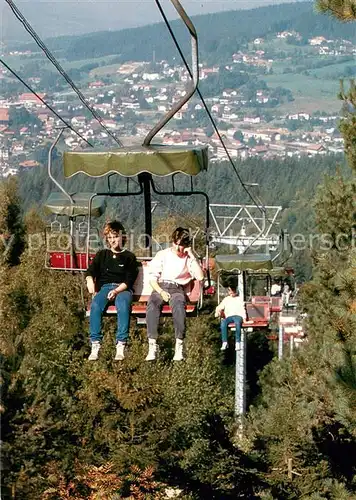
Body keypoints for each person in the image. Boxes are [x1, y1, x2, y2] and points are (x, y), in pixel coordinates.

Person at [145, 227, 204, 361]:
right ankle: (152, 344)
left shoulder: (188, 259)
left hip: (177, 288)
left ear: (186, 245)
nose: (178, 248)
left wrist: (192, 256)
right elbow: (152, 279)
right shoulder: (163, 254)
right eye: (176, 244)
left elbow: (200, 277)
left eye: (182, 245)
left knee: (179, 305)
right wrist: (161, 291)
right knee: (153, 304)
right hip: (161, 285)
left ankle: (179, 344)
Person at [85, 221, 138, 361]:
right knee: (95, 305)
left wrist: (116, 291)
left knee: (123, 305)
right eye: (109, 238)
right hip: (105, 288)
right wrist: (89, 279)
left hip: (123, 289)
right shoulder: (102, 255)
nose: (112, 240)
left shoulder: (129, 257)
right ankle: (95, 344)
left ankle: (121, 344)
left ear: (122, 237)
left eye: (115, 236)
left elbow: (129, 280)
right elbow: (91, 270)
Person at [215, 285, 246, 350]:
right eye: (230, 291)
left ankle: (238, 342)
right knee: (223, 322)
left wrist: (244, 318)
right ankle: (225, 342)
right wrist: (217, 311)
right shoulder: (226, 299)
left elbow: (243, 309)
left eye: (232, 292)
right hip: (229, 316)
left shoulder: (239, 299)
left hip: (238, 316)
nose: (231, 293)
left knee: (237, 323)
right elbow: (219, 307)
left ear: (235, 291)